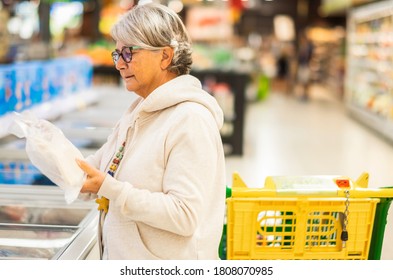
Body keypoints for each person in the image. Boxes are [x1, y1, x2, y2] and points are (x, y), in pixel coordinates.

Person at [75, 2, 226, 260]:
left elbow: (184, 215)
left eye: (129, 53)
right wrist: (47, 147)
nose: (119, 65)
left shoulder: (191, 119)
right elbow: (98, 169)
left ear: (165, 56)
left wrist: (111, 189)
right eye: (117, 54)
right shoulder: (139, 111)